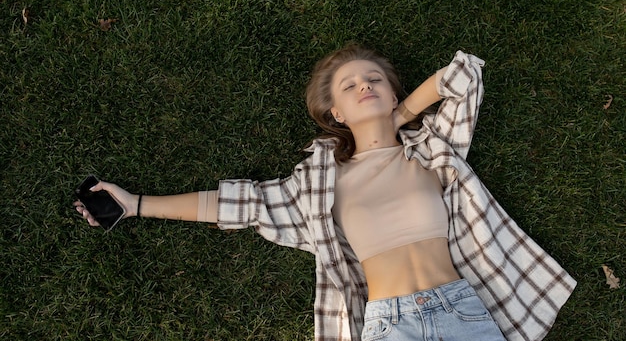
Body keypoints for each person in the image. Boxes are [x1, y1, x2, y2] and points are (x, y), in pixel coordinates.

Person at [75, 44, 576, 341]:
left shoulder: (432, 150)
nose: (363, 85)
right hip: (388, 326)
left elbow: (463, 77)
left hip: (464, 309)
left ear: (394, 92)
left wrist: (399, 118)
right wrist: (135, 204)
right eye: (349, 86)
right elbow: (238, 204)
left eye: (374, 78)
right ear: (335, 114)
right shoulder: (317, 187)